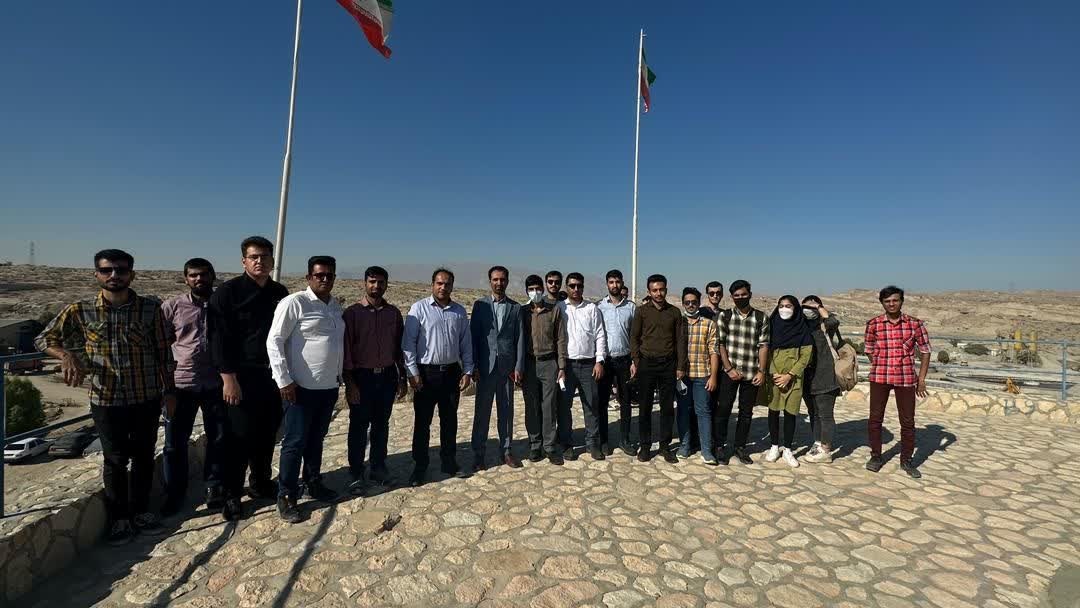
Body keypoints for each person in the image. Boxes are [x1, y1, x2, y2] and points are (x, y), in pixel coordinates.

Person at [36, 249, 176, 544]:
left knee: (143, 457)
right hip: (106, 399)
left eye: (121, 270)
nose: (114, 275)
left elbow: (164, 353)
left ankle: (141, 512)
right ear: (96, 274)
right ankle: (119, 520)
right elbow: (44, 338)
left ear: (132, 275)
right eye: (107, 270)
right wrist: (66, 355)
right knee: (114, 460)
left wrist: (170, 391)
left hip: (146, 395)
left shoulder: (150, 309)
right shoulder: (80, 310)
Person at [208, 236, 289, 520]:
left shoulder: (279, 292)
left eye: (265, 256)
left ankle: (260, 483)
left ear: (272, 261)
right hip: (240, 376)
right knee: (238, 437)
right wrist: (228, 378)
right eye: (254, 257)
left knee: (267, 433)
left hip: (272, 375)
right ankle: (232, 494)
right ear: (244, 261)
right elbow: (217, 339)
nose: (260, 261)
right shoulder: (227, 293)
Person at [267, 256, 345, 523]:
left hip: (328, 386)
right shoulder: (294, 303)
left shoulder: (334, 306)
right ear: (309, 277)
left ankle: (313, 482)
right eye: (319, 275)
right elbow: (274, 341)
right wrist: (283, 380)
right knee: (295, 442)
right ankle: (286, 494)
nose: (325, 279)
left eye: (329, 275)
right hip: (299, 388)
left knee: (316, 439)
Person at [160, 258, 227, 517]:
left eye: (204, 274)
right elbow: (161, 344)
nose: (199, 279)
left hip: (217, 383)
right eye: (193, 275)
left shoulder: (222, 304)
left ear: (212, 275)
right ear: (186, 278)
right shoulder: (173, 306)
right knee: (174, 443)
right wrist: (165, 386)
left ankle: (214, 487)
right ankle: (174, 494)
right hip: (181, 384)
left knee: (218, 438)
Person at [402, 268, 474, 486]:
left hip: (451, 373)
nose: (443, 287)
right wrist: (412, 372)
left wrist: (467, 370)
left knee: (449, 421)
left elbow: (465, 343)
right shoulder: (419, 308)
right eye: (439, 283)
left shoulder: (459, 312)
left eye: (447, 284)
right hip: (426, 374)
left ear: (452, 286)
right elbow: (408, 343)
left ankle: (449, 462)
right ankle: (420, 467)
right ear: (432, 284)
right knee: (422, 423)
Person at [343, 265, 406, 493]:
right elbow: (346, 351)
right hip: (362, 378)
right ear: (365, 283)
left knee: (381, 425)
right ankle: (356, 472)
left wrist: (402, 377)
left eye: (380, 282)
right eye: (372, 281)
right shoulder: (352, 313)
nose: (376, 286)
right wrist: (350, 383)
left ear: (386, 285)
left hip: (387, 376)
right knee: (358, 427)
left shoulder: (393, 314)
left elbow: (398, 348)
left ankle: (378, 468)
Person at [864, 285, 931, 478]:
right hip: (880, 377)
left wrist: (921, 379)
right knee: (875, 419)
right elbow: (868, 349)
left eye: (895, 300)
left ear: (901, 301)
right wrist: (880, 364)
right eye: (887, 301)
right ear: (882, 303)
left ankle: (906, 460)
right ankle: (876, 456)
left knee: (908, 421)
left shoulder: (915, 324)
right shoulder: (874, 324)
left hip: (905, 378)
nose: (891, 304)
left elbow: (925, 351)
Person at [469, 265, 525, 472]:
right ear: (490, 281)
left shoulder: (515, 308)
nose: (499, 283)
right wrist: (473, 365)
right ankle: (479, 453)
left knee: (506, 412)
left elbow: (520, 339)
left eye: (502, 280)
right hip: (485, 368)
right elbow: (474, 337)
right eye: (495, 279)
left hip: (507, 369)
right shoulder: (480, 306)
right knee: (482, 413)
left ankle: (507, 450)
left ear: (507, 281)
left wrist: (519, 366)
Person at [629, 274, 688, 464]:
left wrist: (680, 366)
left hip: (668, 365)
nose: (658, 293)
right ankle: (645, 446)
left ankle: (664, 446)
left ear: (666, 290)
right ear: (649, 291)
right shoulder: (641, 311)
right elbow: (634, 338)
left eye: (661, 289)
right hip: (646, 364)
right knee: (645, 407)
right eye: (654, 290)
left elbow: (680, 341)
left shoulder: (674, 312)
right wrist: (637, 361)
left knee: (667, 408)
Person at [716, 279, 770, 465]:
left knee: (746, 413)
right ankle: (719, 446)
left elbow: (763, 346)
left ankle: (740, 447)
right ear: (732, 297)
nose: (740, 298)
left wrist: (761, 371)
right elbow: (720, 344)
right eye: (736, 295)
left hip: (751, 373)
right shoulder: (725, 316)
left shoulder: (761, 318)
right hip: (729, 373)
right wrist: (729, 368)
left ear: (750, 295)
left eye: (743, 294)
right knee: (723, 409)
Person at [760, 296, 813, 469]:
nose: (784, 309)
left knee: (791, 413)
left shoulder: (802, 328)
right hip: (774, 377)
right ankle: (774, 446)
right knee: (773, 411)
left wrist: (790, 375)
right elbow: (765, 350)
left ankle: (788, 449)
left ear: (795, 308)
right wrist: (774, 372)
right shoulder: (771, 325)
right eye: (781, 306)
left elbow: (806, 355)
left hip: (794, 379)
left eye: (788, 306)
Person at [520, 274, 569, 465]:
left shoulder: (554, 311)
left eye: (538, 288)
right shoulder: (523, 312)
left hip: (550, 364)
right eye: (531, 289)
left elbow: (560, 339)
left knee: (549, 407)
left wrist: (562, 366)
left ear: (543, 289)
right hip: (529, 364)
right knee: (532, 406)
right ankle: (535, 444)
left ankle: (549, 446)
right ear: (527, 292)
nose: (535, 292)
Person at [559, 272, 607, 460]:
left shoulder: (592, 309)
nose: (576, 289)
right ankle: (566, 443)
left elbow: (600, 335)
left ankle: (592, 444)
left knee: (591, 405)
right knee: (564, 407)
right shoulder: (560, 308)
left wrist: (599, 361)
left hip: (588, 365)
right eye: (572, 286)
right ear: (566, 287)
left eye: (579, 285)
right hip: (567, 366)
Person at [676, 288, 720, 464]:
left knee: (703, 412)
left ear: (699, 303)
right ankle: (685, 445)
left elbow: (714, 351)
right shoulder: (678, 323)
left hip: (702, 375)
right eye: (687, 302)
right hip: (683, 376)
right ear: (683, 303)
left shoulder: (709, 324)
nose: (690, 305)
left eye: (694, 302)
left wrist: (713, 376)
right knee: (683, 411)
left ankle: (706, 450)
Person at [597, 269, 637, 456]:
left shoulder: (631, 307)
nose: (615, 285)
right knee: (602, 402)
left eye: (617, 282)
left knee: (626, 402)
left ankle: (625, 439)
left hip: (625, 360)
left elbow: (635, 336)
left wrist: (634, 361)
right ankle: (603, 440)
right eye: (611, 282)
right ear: (607, 284)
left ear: (622, 283)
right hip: (605, 361)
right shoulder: (599, 307)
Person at [801, 295, 843, 464]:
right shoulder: (802, 327)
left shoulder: (825, 326)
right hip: (807, 378)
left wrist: (818, 308)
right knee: (813, 413)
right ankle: (817, 442)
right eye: (806, 307)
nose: (809, 311)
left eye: (812, 308)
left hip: (825, 376)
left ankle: (826, 450)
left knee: (825, 414)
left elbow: (834, 321)